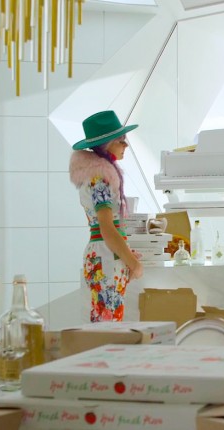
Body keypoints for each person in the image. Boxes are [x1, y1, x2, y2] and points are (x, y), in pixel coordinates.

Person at [69, 110, 144, 322]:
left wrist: (125, 254)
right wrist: (134, 264)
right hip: (105, 257)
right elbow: (107, 228)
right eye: (121, 140)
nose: (125, 145)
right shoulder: (100, 178)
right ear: (107, 144)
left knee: (105, 321)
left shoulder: (97, 175)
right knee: (108, 325)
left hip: (104, 255)